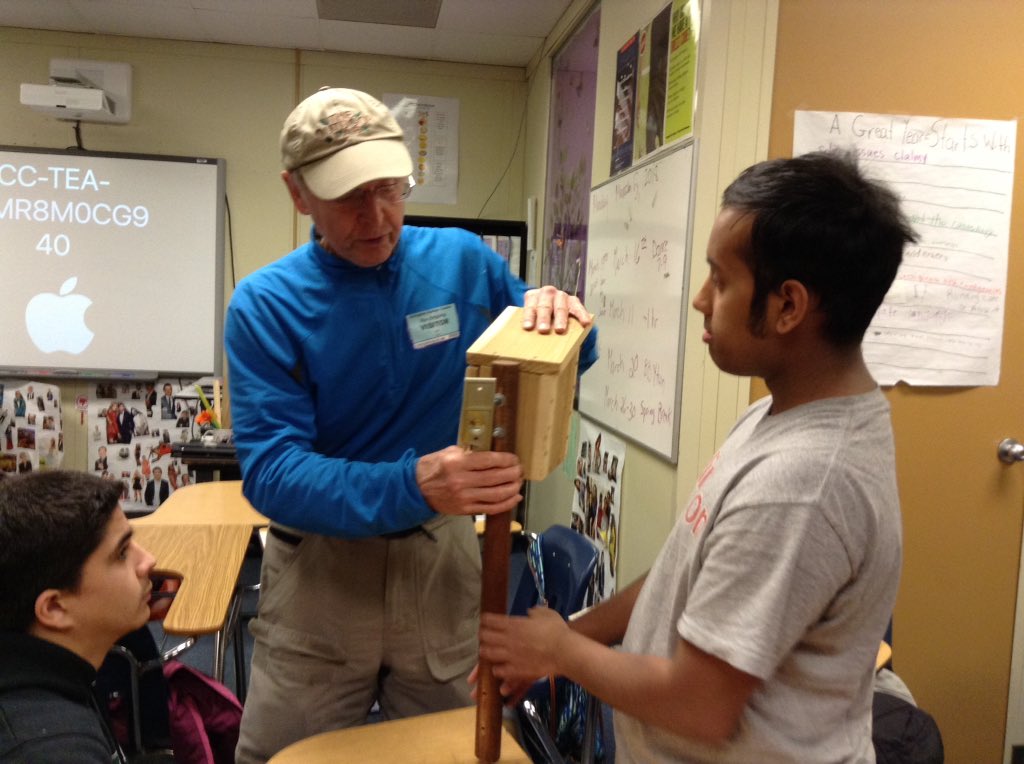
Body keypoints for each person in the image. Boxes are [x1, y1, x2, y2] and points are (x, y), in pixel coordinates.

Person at [478, 151, 915, 763]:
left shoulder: (801, 481)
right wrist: (571, 635)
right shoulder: (773, 417)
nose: (701, 299)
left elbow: (700, 706)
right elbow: (685, 570)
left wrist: (560, 652)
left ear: (789, 306)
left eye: (722, 279)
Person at [224, 86, 597, 764]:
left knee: (453, 750)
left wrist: (561, 317)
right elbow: (273, 473)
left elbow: (562, 359)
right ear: (297, 192)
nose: (377, 217)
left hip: (443, 562)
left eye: (390, 189)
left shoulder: (461, 264)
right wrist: (416, 482)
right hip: (322, 574)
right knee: (286, 755)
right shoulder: (266, 305)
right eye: (348, 196)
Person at [0, 470, 157, 763]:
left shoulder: (54, 673)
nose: (149, 560)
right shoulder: (54, 751)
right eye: (122, 553)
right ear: (55, 609)